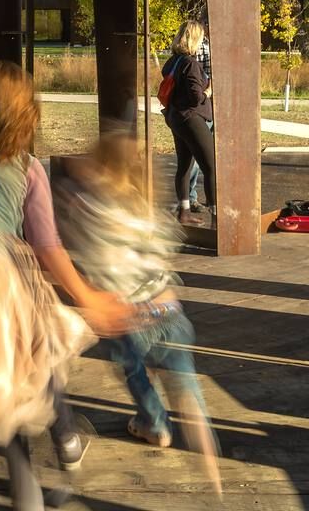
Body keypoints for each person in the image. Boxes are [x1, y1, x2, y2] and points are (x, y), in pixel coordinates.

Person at [0, 60, 133, 511]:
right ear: (26, 114)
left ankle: (31, 477)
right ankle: (61, 443)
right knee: (41, 347)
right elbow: (48, 246)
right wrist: (87, 295)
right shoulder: (27, 169)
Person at [54, 131, 222, 491]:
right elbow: (169, 242)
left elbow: (80, 244)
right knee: (181, 370)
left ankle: (154, 424)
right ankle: (195, 414)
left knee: (134, 371)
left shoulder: (92, 208)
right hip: (168, 306)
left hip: (128, 316)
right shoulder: (146, 208)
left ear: (101, 168)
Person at [161, 21, 216, 227]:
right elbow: (195, 96)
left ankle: (184, 213)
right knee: (211, 168)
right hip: (192, 117)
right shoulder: (191, 64)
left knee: (184, 167)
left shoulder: (173, 61)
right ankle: (217, 220)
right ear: (195, 38)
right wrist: (208, 92)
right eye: (201, 37)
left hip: (176, 117)